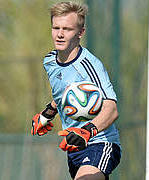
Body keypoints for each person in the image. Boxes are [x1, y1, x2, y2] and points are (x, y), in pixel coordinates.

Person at [31, 1, 121, 180]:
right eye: (56, 28)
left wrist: (87, 131)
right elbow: (65, 94)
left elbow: (111, 108)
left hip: (100, 143)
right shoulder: (49, 62)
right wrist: (48, 113)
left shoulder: (89, 65)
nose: (60, 34)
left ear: (80, 33)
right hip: (74, 148)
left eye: (67, 29)